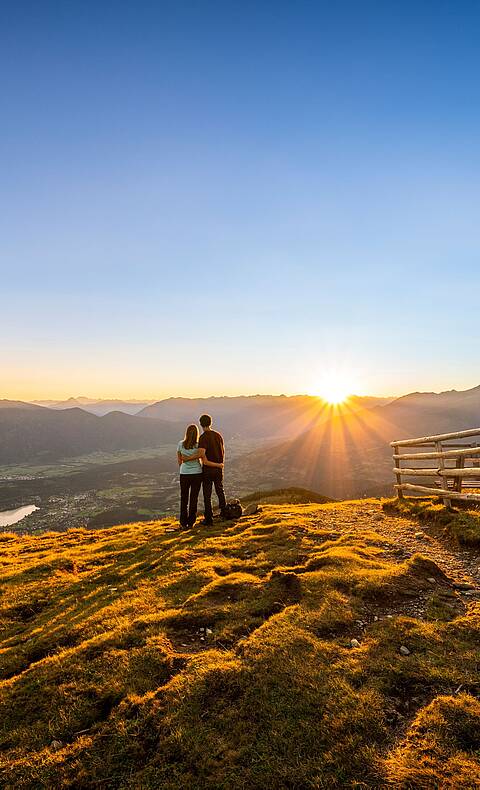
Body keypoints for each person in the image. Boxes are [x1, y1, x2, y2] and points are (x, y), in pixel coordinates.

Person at [177, 423, 223, 529]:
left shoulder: (180, 444)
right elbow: (202, 458)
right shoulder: (199, 444)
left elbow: (180, 461)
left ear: (187, 433)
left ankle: (183, 522)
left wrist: (185, 465)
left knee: (184, 498)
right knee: (194, 498)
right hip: (197, 473)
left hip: (184, 474)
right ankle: (191, 522)